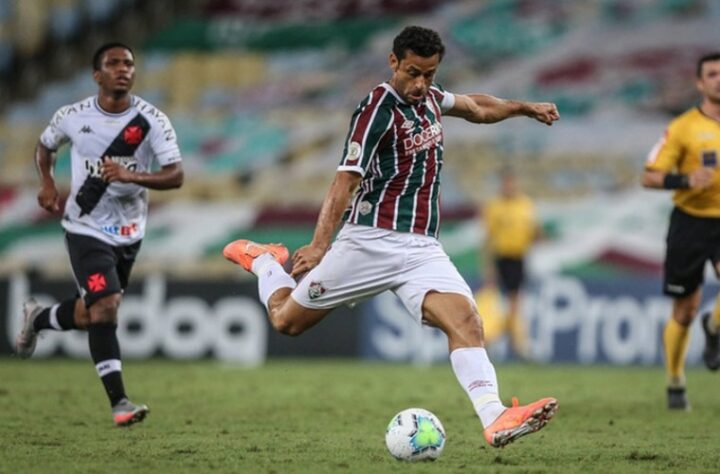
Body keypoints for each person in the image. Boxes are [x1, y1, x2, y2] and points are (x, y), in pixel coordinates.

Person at [223, 26, 560, 447]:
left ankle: (494, 418)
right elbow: (344, 180)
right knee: (286, 322)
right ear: (393, 62)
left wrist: (525, 108)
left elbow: (477, 107)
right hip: (368, 241)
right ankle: (265, 261)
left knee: (468, 321)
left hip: (422, 249)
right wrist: (319, 245)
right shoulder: (376, 108)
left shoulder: (433, 99)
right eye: (414, 73)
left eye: (430, 75)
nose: (421, 84)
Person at [14, 42, 184, 426]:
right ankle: (119, 404)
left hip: (130, 232)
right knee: (106, 306)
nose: (123, 69)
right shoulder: (73, 116)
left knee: (94, 313)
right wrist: (46, 182)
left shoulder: (151, 120)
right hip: (84, 226)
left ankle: (38, 317)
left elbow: (176, 175)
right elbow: (45, 146)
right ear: (97, 75)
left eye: (129, 64)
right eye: (114, 63)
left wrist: (132, 175)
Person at [641, 52, 720, 410]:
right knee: (683, 312)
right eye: (713, 74)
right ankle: (675, 382)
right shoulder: (682, 128)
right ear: (700, 83)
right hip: (689, 222)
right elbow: (648, 176)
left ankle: (715, 325)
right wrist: (685, 179)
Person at [481, 171, 540, 359]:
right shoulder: (494, 206)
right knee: (494, 303)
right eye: (506, 183)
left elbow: (533, 232)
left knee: (514, 305)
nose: (509, 186)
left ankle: (515, 344)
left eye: (512, 182)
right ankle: (489, 340)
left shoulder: (526, 204)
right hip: (500, 257)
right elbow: (488, 238)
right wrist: (488, 267)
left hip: (518, 258)